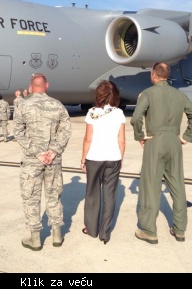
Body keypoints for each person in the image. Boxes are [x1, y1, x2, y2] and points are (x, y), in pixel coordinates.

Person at [131, 62, 192, 244]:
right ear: (167, 75)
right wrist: (187, 136)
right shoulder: (180, 95)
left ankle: (149, 230)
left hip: (155, 141)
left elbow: (136, 118)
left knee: (150, 186)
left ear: (153, 74)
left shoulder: (148, 93)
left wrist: (140, 135)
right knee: (177, 185)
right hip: (174, 141)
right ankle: (179, 229)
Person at [14, 73, 72, 251]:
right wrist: (53, 151)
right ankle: (57, 235)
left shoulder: (23, 105)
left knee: (31, 198)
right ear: (46, 85)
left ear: (31, 87)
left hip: (33, 160)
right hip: (53, 161)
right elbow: (66, 130)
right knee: (54, 197)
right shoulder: (57, 105)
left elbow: (18, 132)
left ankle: (35, 238)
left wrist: (37, 152)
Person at [80, 80, 126, 244]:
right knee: (110, 195)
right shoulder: (119, 113)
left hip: (94, 157)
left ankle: (91, 229)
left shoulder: (92, 113)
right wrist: (120, 157)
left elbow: (88, 138)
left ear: (98, 95)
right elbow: (122, 139)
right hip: (113, 157)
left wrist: (83, 158)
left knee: (92, 193)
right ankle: (105, 233)